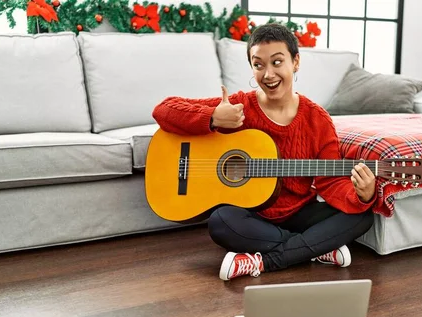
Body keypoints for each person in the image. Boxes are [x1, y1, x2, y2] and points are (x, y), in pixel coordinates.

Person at [152, 23, 376, 281]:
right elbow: (163, 109)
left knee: (362, 216)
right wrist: (213, 117)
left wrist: (362, 193)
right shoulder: (239, 106)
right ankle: (314, 248)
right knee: (220, 221)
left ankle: (263, 260)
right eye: (258, 65)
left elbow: (330, 182)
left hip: (298, 212)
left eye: (277, 62)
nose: (268, 74)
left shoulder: (318, 120)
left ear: (296, 62)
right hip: (250, 216)